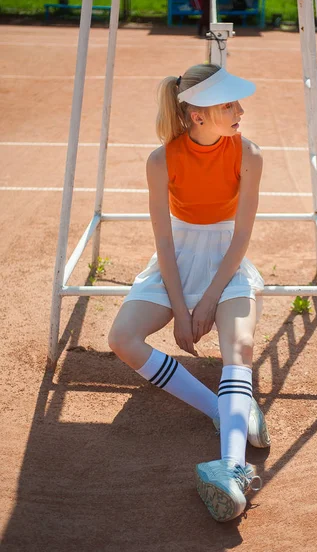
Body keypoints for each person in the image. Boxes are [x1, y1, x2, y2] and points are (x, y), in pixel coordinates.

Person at [108, 63, 270, 523]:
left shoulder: (249, 154)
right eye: (228, 105)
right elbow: (163, 242)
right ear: (197, 114)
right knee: (122, 339)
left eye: (237, 103)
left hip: (226, 262)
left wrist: (208, 300)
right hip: (176, 259)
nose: (240, 111)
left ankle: (230, 468)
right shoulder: (161, 160)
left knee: (239, 345)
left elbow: (240, 238)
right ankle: (222, 408)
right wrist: (182, 309)